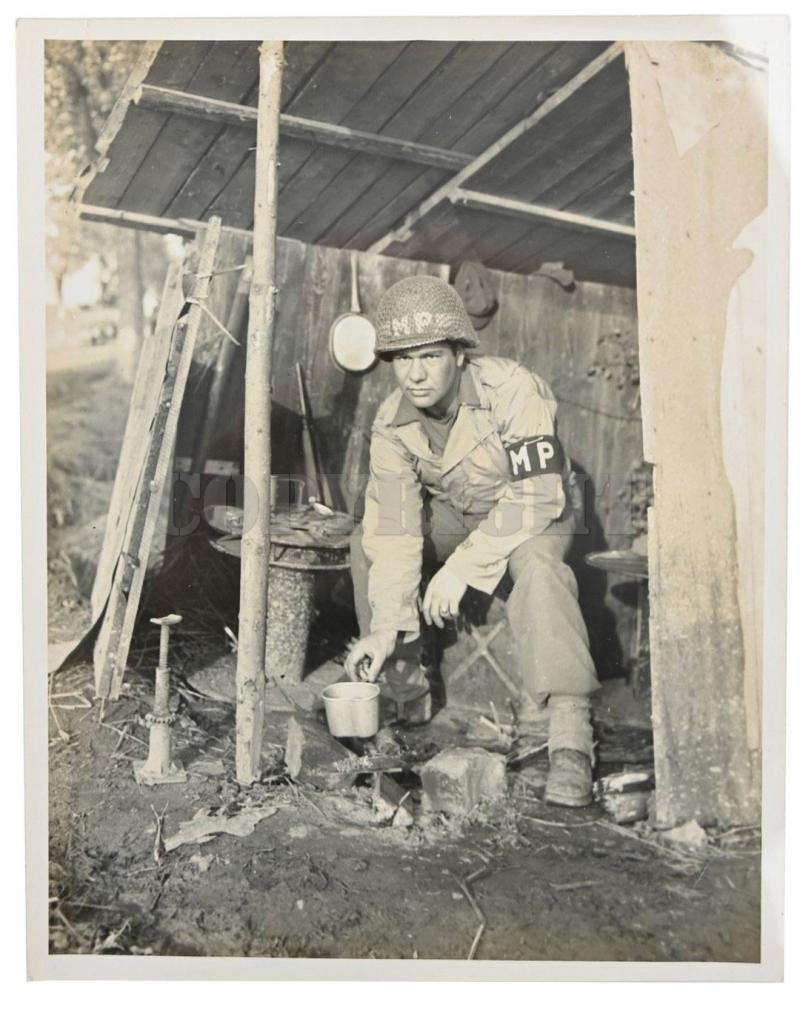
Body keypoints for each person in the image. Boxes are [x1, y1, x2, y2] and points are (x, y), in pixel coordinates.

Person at [344, 276, 600, 807]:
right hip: (460, 515)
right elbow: (393, 526)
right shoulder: (391, 423)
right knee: (367, 540)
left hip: (534, 509)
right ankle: (404, 689)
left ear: (460, 355)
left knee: (539, 566)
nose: (415, 374)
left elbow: (537, 493)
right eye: (402, 359)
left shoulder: (514, 389)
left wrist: (462, 568)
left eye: (430, 356)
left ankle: (571, 737)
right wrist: (387, 627)